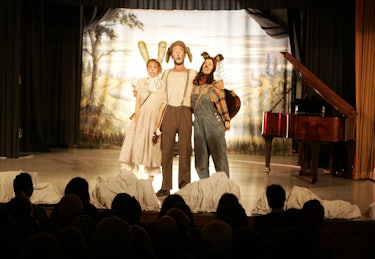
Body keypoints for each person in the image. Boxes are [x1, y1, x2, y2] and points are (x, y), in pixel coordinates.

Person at [157, 41, 224, 196]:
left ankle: (184, 185)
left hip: (186, 112)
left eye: (181, 51)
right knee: (166, 150)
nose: (178, 54)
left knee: (185, 149)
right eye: (175, 51)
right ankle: (165, 186)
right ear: (171, 55)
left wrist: (218, 83)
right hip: (168, 112)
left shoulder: (193, 73)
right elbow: (159, 93)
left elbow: (206, 82)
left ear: (185, 54)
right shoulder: (166, 73)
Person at [119, 58, 167, 184]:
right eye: (150, 67)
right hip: (141, 118)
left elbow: (163, 105)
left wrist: (158, 123)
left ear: (159, 69)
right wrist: (137, 122)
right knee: (135, 147)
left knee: (152, 150)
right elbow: (138, 102)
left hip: (153, 120)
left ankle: (149, 184)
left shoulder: (162, 85)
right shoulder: (140, 82)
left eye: (154, 67)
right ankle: (129, 181)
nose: (152, 69)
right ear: (147, 69)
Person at [191, 52, 231, 179]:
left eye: (210, 64)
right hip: (198, 124)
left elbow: (222, 103)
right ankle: (205, 185)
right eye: (205, 63)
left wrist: (226, 120)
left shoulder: (215, 86)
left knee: (219, 158)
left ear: (213, 68)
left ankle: (224, 187)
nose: (206, 65)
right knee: (200, 160)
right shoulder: (194, 85)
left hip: (213, 123)